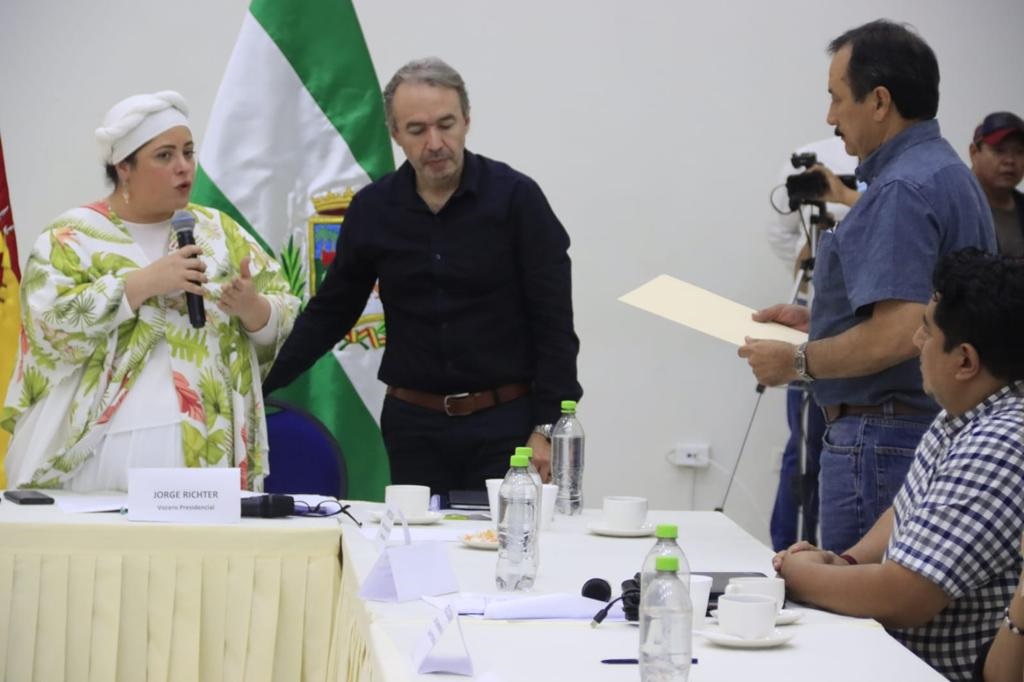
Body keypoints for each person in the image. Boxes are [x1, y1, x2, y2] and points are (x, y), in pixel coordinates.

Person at [262, 58, 582, 495]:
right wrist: (256, 384)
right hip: (413, 427)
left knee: (502, 536)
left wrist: (547, 426)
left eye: (445, 124)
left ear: (466, 120)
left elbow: (554, 323)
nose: (435, 143)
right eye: (416, 130)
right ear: (395, 134)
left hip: (507, 424)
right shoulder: (373, 210)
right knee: (418, 539)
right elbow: (331, 313)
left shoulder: (516, 199)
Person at [738, 20, 996, 552]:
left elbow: (899, 333)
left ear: (879, 101)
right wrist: (819, 322)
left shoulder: (901, 188)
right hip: (913, 432)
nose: (830, 117)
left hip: (881, 439)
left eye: (837, 98)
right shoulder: (946, 173)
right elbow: (921, 312)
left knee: (857, 598)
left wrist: (796, 361)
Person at [1, 91, 299, 491]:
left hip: (209, 444)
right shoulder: (72, 236)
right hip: (97, 450)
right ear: (124, 167)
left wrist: (253, 308)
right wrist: (141, 285)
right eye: (165, 156)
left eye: (188, 153)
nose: (183, 167)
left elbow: (283, 313)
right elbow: (46, 327)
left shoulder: (218, 231)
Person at [772, 248, 1024, 681]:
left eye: (927, 330)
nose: (916, 342)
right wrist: (845, 563)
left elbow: (904, 597)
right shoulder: (966, 410)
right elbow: (909, 508)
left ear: (965, 361)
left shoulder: (1003, 440)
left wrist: (797, 576)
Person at [766, 136, 858, 550]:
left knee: (835, 447)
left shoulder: (894, 171)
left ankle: (829, 557)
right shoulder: (812, 155)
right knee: (802, 447)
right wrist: (809, 258)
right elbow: (780, 233)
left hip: (861, 322)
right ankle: (785, 549)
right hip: (819, 308)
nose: (834, 117)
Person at [969, 111, 1024, 256]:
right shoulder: (956, 207)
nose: (1010, 160)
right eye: (999, 151)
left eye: (1019, 152)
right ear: (974, 152)